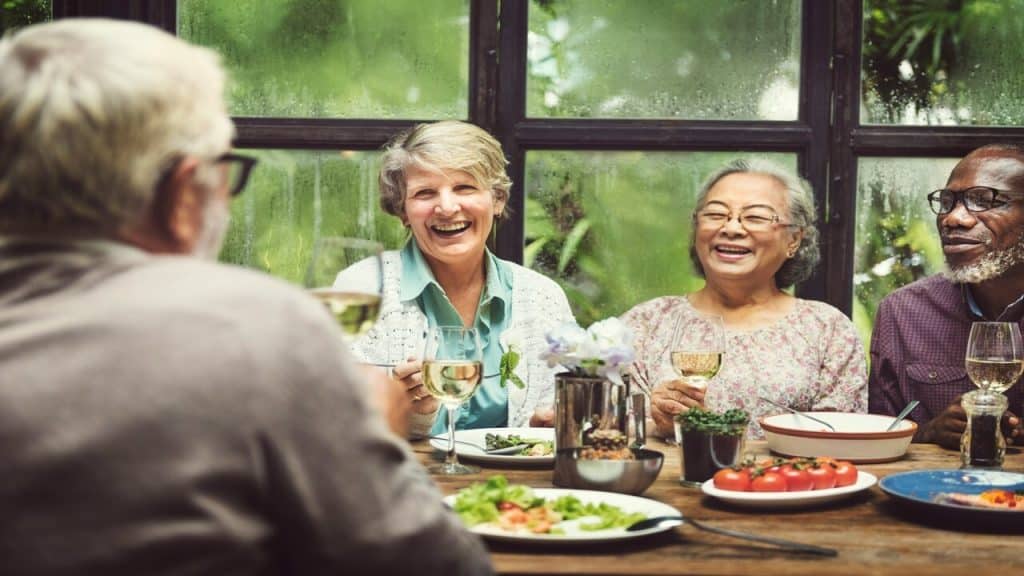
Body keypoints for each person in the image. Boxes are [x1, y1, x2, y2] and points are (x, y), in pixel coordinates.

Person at [0, 19, 491, 576]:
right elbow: (434, 566)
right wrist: (378, 432)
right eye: (225, 173)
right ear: (183, 191)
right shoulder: (259, 327)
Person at [335, 120, 575, 438]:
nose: (447, 207)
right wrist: (406, 411)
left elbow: (567, 413)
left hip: (513, 487)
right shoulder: (361, 288)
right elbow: (331, 421)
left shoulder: (543, 296)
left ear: (498, 199)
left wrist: (543, 430)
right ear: (402, 210)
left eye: (465, 188)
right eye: (425, 193)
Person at [621, 159, 867, 439]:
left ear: (794, 240)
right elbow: (607, 431)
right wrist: (660, 423)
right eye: (715, 214)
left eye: (756, 217)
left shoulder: (827, 329)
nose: (732, 228)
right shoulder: (645, 323)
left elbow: (841, 438)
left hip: (786, 482)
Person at [870, 144, 1024, 450]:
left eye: (984, 200)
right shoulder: (903, 311)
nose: (953, 219)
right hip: (931, 493)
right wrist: (930, 432)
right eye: (946, 202)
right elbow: (877, 438)